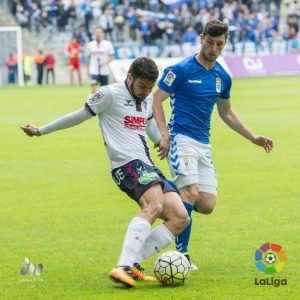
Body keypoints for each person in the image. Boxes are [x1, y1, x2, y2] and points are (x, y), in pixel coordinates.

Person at [21, 57, 189, 288]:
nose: (145, 92)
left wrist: (162, 142)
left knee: (180, 217)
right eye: (142, 86)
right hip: (126, 163)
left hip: (147, 164)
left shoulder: (147, 98)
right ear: (129, 77)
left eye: (149, 88)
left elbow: (147, 124)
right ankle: (123, 266)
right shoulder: (108, 94)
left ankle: (132, 263)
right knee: (154, 206)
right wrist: (41, 130)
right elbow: (79, 116)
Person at [152, 20, 274, 270]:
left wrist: (253, 137)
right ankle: (182, 255)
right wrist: (164, 135)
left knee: (206, 205)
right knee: (191, 192)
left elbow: (227, 113)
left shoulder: (222, 76)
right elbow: (156, 99)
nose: (214, 48)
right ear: (201, 38)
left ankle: (168, 194)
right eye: (210, 42)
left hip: (203, 144)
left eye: (220, 44)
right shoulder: (182, 69)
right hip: (180, 139)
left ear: (225, 43)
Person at [87, 27, 114, 94]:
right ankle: (91, 103)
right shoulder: (90, 45)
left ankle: (102, 104)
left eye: (99, 32)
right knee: (93, 88)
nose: (98, 34)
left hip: (104, 70)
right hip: (94, 70)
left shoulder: (108, 44)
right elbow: (89, 58)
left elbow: (111, 57)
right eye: (96, 32)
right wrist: (88, 69)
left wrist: (104, 62)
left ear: (102, 33)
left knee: (104, 91)